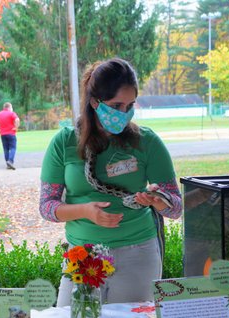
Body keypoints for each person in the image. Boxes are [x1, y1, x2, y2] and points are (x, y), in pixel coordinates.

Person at [39, 58, 182, 305]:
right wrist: (84, 211)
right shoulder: (64, 142)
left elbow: (177, 207)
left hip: (138, 255)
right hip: (83, 255)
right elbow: (47, 207)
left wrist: (158, 201)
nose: (124, 113)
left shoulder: (146, 142)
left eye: (130, 105)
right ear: (95, 102)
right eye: (116, 105)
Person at [0, 102, 20, 170]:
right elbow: (17, 119)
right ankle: (10, 161)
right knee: (13, 148)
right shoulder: (11, 113)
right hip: (11, 133)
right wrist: (16, 127)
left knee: (6, 149)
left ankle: (7, 164)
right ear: (9, 107)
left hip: (3, 134)